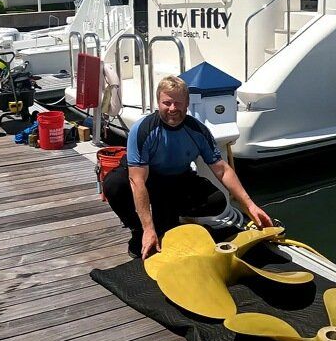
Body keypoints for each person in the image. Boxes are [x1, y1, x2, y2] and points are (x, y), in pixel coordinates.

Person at [102, 75, 273, 259]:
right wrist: (147, 228)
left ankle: (170, 218)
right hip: (145, 177)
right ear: (158, 102)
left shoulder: (197, 130)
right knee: (113, 184)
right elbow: (137, 181)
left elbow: (222, 169)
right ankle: (138, 230)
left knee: (216, 200)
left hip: (175, 178)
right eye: (167, 103)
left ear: (187, 103)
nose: (173, 109)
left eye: (178, 103)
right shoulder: (143, 130)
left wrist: (250, 205)